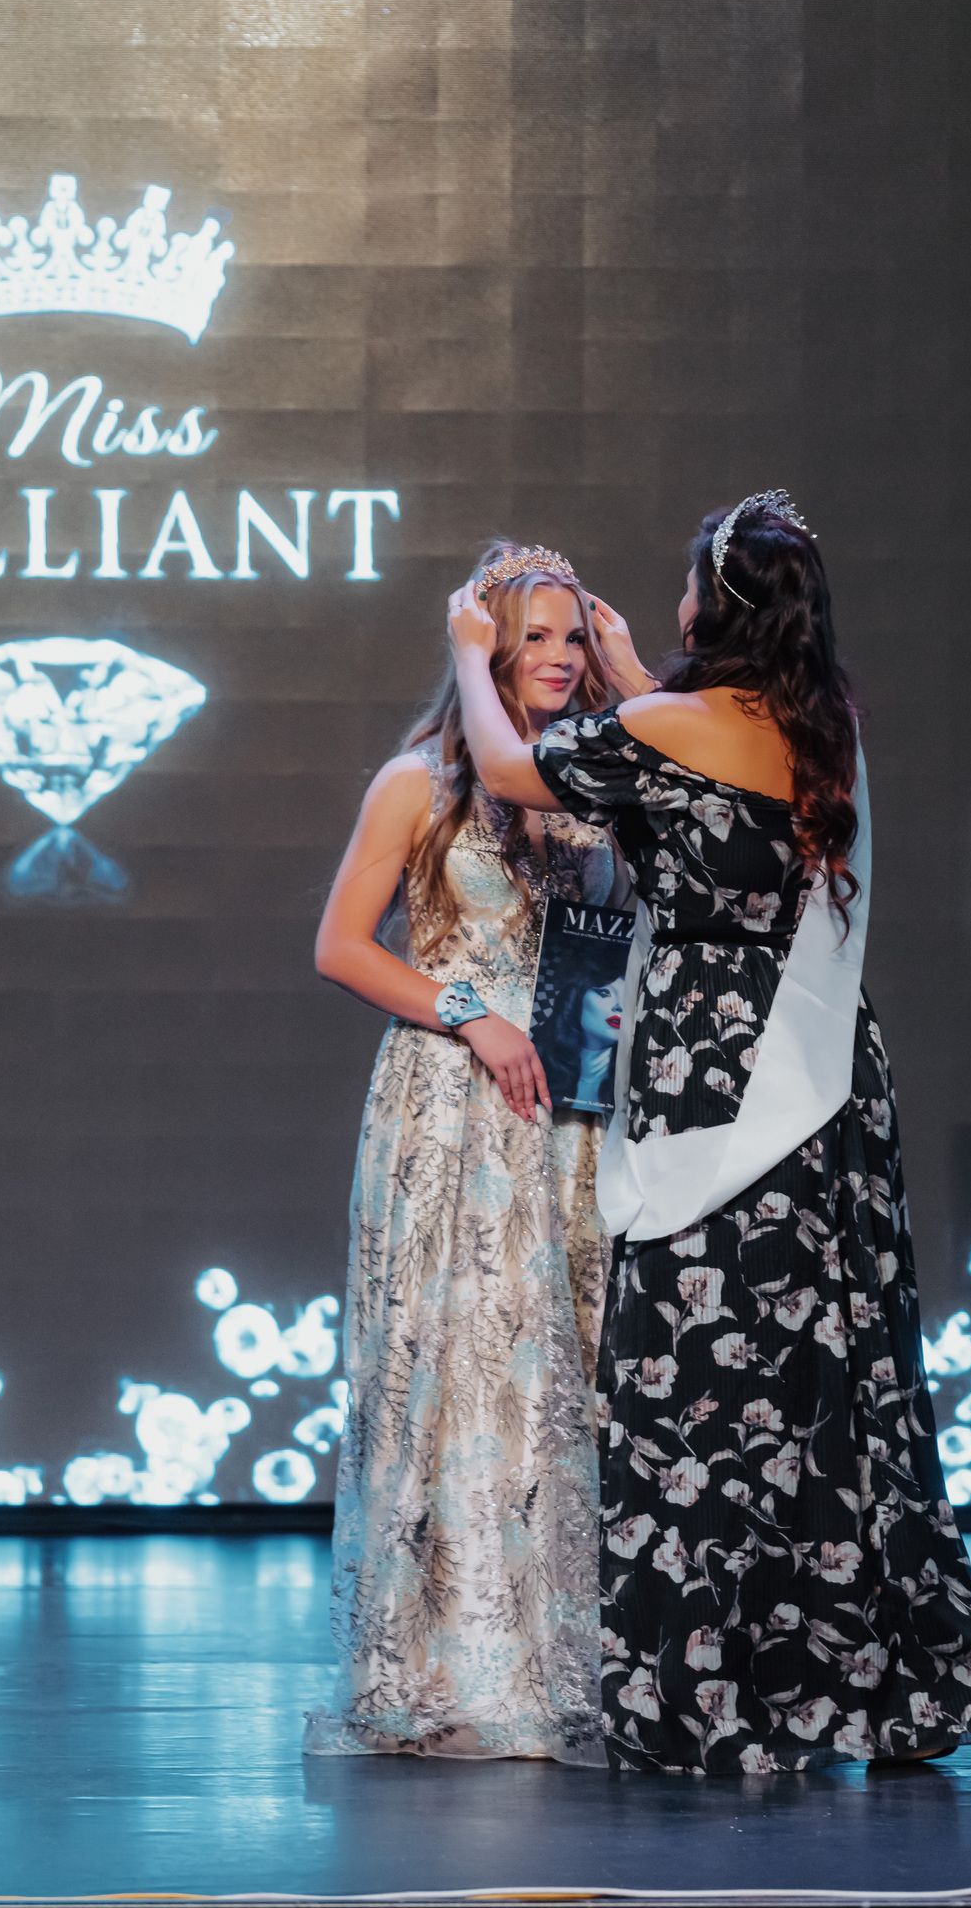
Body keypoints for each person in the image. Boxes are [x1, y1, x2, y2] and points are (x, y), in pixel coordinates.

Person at [448, 493, 971, 1775]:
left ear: (713, 606)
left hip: (709, 1071)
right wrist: (637, 674)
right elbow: (700, 773)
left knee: (698, 1377)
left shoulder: (668, 726)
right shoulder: (821, 731)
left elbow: (508, 768)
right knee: (827, 1368)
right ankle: (860, 1682)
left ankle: (711, 1688)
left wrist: (466, 656)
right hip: (825, 1081)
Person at [307, 540, 650, 1764]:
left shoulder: (602, 784)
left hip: (579, 1112)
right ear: (483, 650)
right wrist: (468, 1011)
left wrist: (630, 665)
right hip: (458, 1102)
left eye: (571, 637)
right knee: (463, 1368)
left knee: (575, 1372)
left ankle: (578, 1656)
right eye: (530, 638)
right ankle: (458, 1663)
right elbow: (342, 946)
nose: (555, 658)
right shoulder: (419, 783)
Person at [546, 976, 625, 1113]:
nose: (620, 1006)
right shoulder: (543, 1068)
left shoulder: (628, 1088)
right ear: (576, 998)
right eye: (605, 993)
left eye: (627, 998)